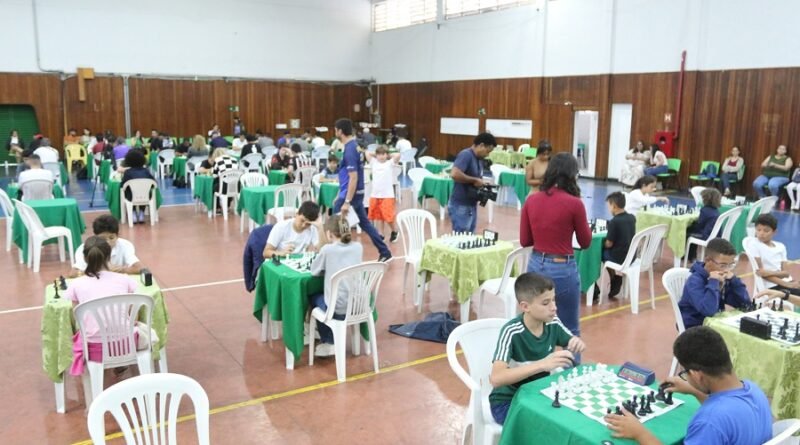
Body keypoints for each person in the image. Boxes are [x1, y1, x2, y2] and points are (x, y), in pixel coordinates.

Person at [605, 326, 771, 445]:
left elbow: (718, 419)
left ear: (698, 375)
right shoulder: (754, 390)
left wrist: (639, 433)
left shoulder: (709, 422)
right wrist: (694, 391)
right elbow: (730, 410)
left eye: (685, 373)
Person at [488, 272, 586, 425]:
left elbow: (571, 340)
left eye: (554, 300)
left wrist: (576, 342)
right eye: (546, 303)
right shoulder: (511, 331)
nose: (554, 308)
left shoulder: (552, 322)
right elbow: (496, 378)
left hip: (539, 394)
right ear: (525, 306)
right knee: (547, 426)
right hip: (508, 401)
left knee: (573, 416)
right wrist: (542, 364)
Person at [520, 153, 592, 346]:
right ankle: (573, 374)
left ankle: (536, 369)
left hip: (536, 264)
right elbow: (585, 242)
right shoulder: (575, 203)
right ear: (573, 175)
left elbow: (525, 240)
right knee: (570, 329)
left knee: (534, 325)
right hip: (562, 267)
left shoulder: (531, 200)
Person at [64, 236, 143, 377]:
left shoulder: (76, 285)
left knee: (82, 333)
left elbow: (77, 317)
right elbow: (133, 316)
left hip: (95, 348)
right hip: (127, 342)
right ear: (109, 256)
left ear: (85, 258)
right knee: (139, 328)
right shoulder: (125, 280)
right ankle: (125, 363)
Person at [333, 118, 393, 262]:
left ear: (340, 131)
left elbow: (353, 177)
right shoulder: (356, 147)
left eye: (335, 129)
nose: (334, 132)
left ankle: (338, 257)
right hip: (356, 193)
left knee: (335, 225)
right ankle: (385, 251)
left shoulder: (349, 151)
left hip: (350, 195)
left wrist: (346, 201)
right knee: (365, 223)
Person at [308, 214, 364, 357]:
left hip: (338, 307)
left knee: (314, 298)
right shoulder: (358, 247)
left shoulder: (328, 250)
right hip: (359, 305)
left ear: (329, 234)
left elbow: (314, 271)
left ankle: (328, 340)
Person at [678, 238, 749, 329]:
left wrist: (734, 281)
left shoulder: (723, 277)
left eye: (731, 265)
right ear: (708, 261)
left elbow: (745, 304)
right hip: (695, 327)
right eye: (723, 265)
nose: (727, 270)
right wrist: (713, 282)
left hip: (715, 324)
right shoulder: (694, 281)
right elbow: (708, 310)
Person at [449, 132, 496, 233]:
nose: (488, 155)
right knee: (461, 239)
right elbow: (454, 174)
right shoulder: (466, 155)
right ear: (481, 145)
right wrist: (474, 180)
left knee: (469, 238)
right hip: (461, 205)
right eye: (487, 151)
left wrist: (482, 183)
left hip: (471, 204)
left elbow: (475, 178)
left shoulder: (478, 159)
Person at [70, 214, 144, 277]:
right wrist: (97, 272)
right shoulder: (85, 248)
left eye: (111, 238)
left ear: (117, 236)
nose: (108, 242)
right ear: (95, 237)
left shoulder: (125, 246)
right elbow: (72, 273)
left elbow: (140, 268)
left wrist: (121, 269)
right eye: (102, 239)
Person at [596, 192, 636, 302]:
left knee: (600, 253)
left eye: (609, 206)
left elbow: (609, 243)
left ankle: (596, 285)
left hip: (619, 257)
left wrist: (600, 245)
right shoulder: (632, 218)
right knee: (607, 253)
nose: (609, 209)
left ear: (614, 205)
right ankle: (615, 279)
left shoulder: (614, 222)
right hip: (631, 255)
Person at [749, 214, 800, 296]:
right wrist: (785, 284)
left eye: (766, 231)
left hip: (787, 282)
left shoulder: (781, 246)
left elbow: (786, 273)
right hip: (772, 286)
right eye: (758, 230)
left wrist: (768, 272)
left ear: (774, 232)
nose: (761, 233)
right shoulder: (754, 245)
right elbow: (761, 273)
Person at [262, 201, 327, 258]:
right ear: (296, 214)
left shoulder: (312, 228)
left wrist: (320, 228)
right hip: (281, 261)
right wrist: (281, 253)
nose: (303, 225)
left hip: (298, 263)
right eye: (302, 220)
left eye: (308, 224)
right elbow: (266, 253)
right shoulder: (281, 226)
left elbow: (323, 250)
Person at [365, 145, 400, 243]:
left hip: (387, 194)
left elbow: (398, 155)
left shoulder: (389, 163)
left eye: (383, 154)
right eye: (379, 155)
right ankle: (381, 233)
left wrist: (388, 155)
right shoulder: (373, 162)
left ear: (386, 155)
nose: (381, 156)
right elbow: (367, 153)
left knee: (388, 216)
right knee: (378, 215)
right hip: (376, 194)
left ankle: (394, 231)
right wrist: (375, 154)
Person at [120, 149, 156, 224]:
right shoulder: (146, 171)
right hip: (146, 196)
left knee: (128, 192)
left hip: (131, 197)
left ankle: (133, 213)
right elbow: (154, 183)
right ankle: (141, 213)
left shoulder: (127, 172)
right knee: (145, 192)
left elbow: (123, 185)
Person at [686, 188, 721, 261]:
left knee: (687, 232)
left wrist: (690, 225)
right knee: (693, 231)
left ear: (706, 199)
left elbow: (699, 225)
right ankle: (692, 255)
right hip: (715, 235)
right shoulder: (716, 211)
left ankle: (688, 255)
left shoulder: (705, 210)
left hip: (706, 235)